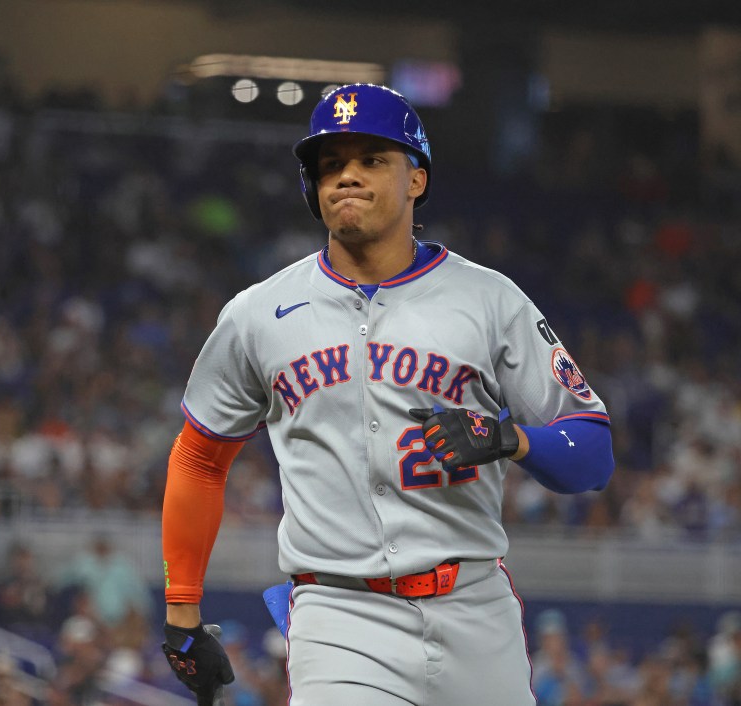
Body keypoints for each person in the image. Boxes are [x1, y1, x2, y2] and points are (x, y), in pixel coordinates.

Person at [159, 83, 615, 705]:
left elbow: (592, 453)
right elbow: (198, 456)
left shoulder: (490, 300)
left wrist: (508, 438)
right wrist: (181, 616)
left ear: (416, 180)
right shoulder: (257, 315)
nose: (347, 176)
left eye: (373, 159)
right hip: (339, 614)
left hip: (475, 609)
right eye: (330, 164)